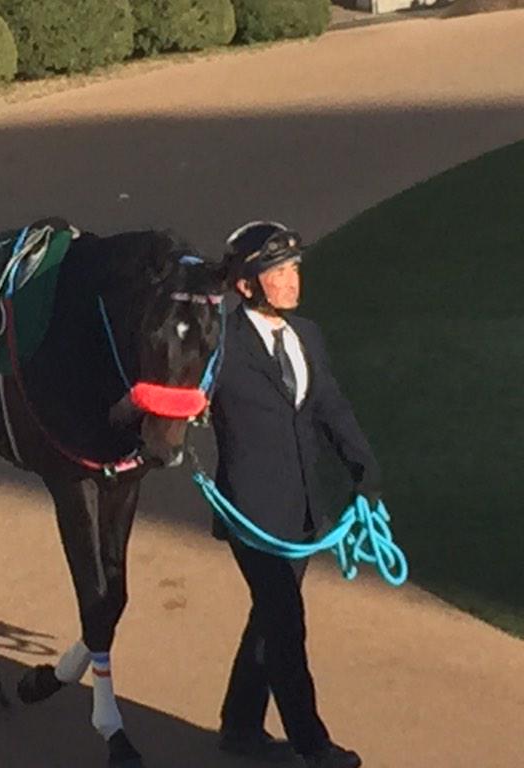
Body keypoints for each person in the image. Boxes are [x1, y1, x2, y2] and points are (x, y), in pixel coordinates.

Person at [210, 220, 382, 768]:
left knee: (270, 616)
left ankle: (240, 726)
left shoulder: (307, 334)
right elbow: (178, 394)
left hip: (304, 512)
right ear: (246, 285)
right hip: (251, 515)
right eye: (278, 271)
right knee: (286, 622)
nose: (291, 280)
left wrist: (365, 471)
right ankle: (313, 745)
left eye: (293, 268)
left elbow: (330, 406)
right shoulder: (219, 345)